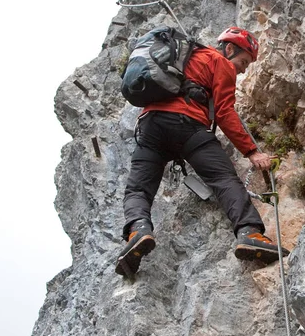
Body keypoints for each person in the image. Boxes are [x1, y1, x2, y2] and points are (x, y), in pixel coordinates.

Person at [115, 26, 289, 277]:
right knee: (223, 179)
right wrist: (251, 152)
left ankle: (138, 230)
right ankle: (250, 233)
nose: (243, 69)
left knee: (138, 188)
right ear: (229, 49)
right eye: (243, 62)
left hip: (150, 126)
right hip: (187, 126)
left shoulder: (184, 58)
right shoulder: (220, 62)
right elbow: (225, 112)